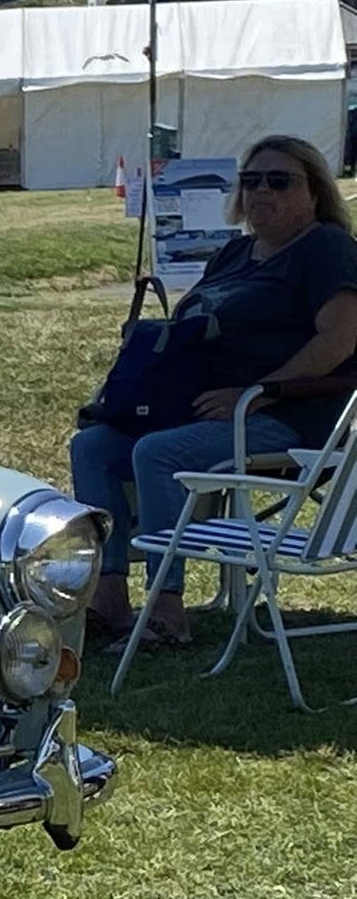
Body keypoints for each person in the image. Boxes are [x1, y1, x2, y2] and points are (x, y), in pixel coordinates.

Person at [71, 134, 357, 648]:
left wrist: (258, 393)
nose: (261, 191)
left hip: (288, 418)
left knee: (158, 452)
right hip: (205, 409)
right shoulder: (234, 253)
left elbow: (339, 339)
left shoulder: (326, 248)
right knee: (92, 446)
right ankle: (109, 598)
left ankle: (167, 608)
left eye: (279, 180)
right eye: (251, 181)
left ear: (314, 192)